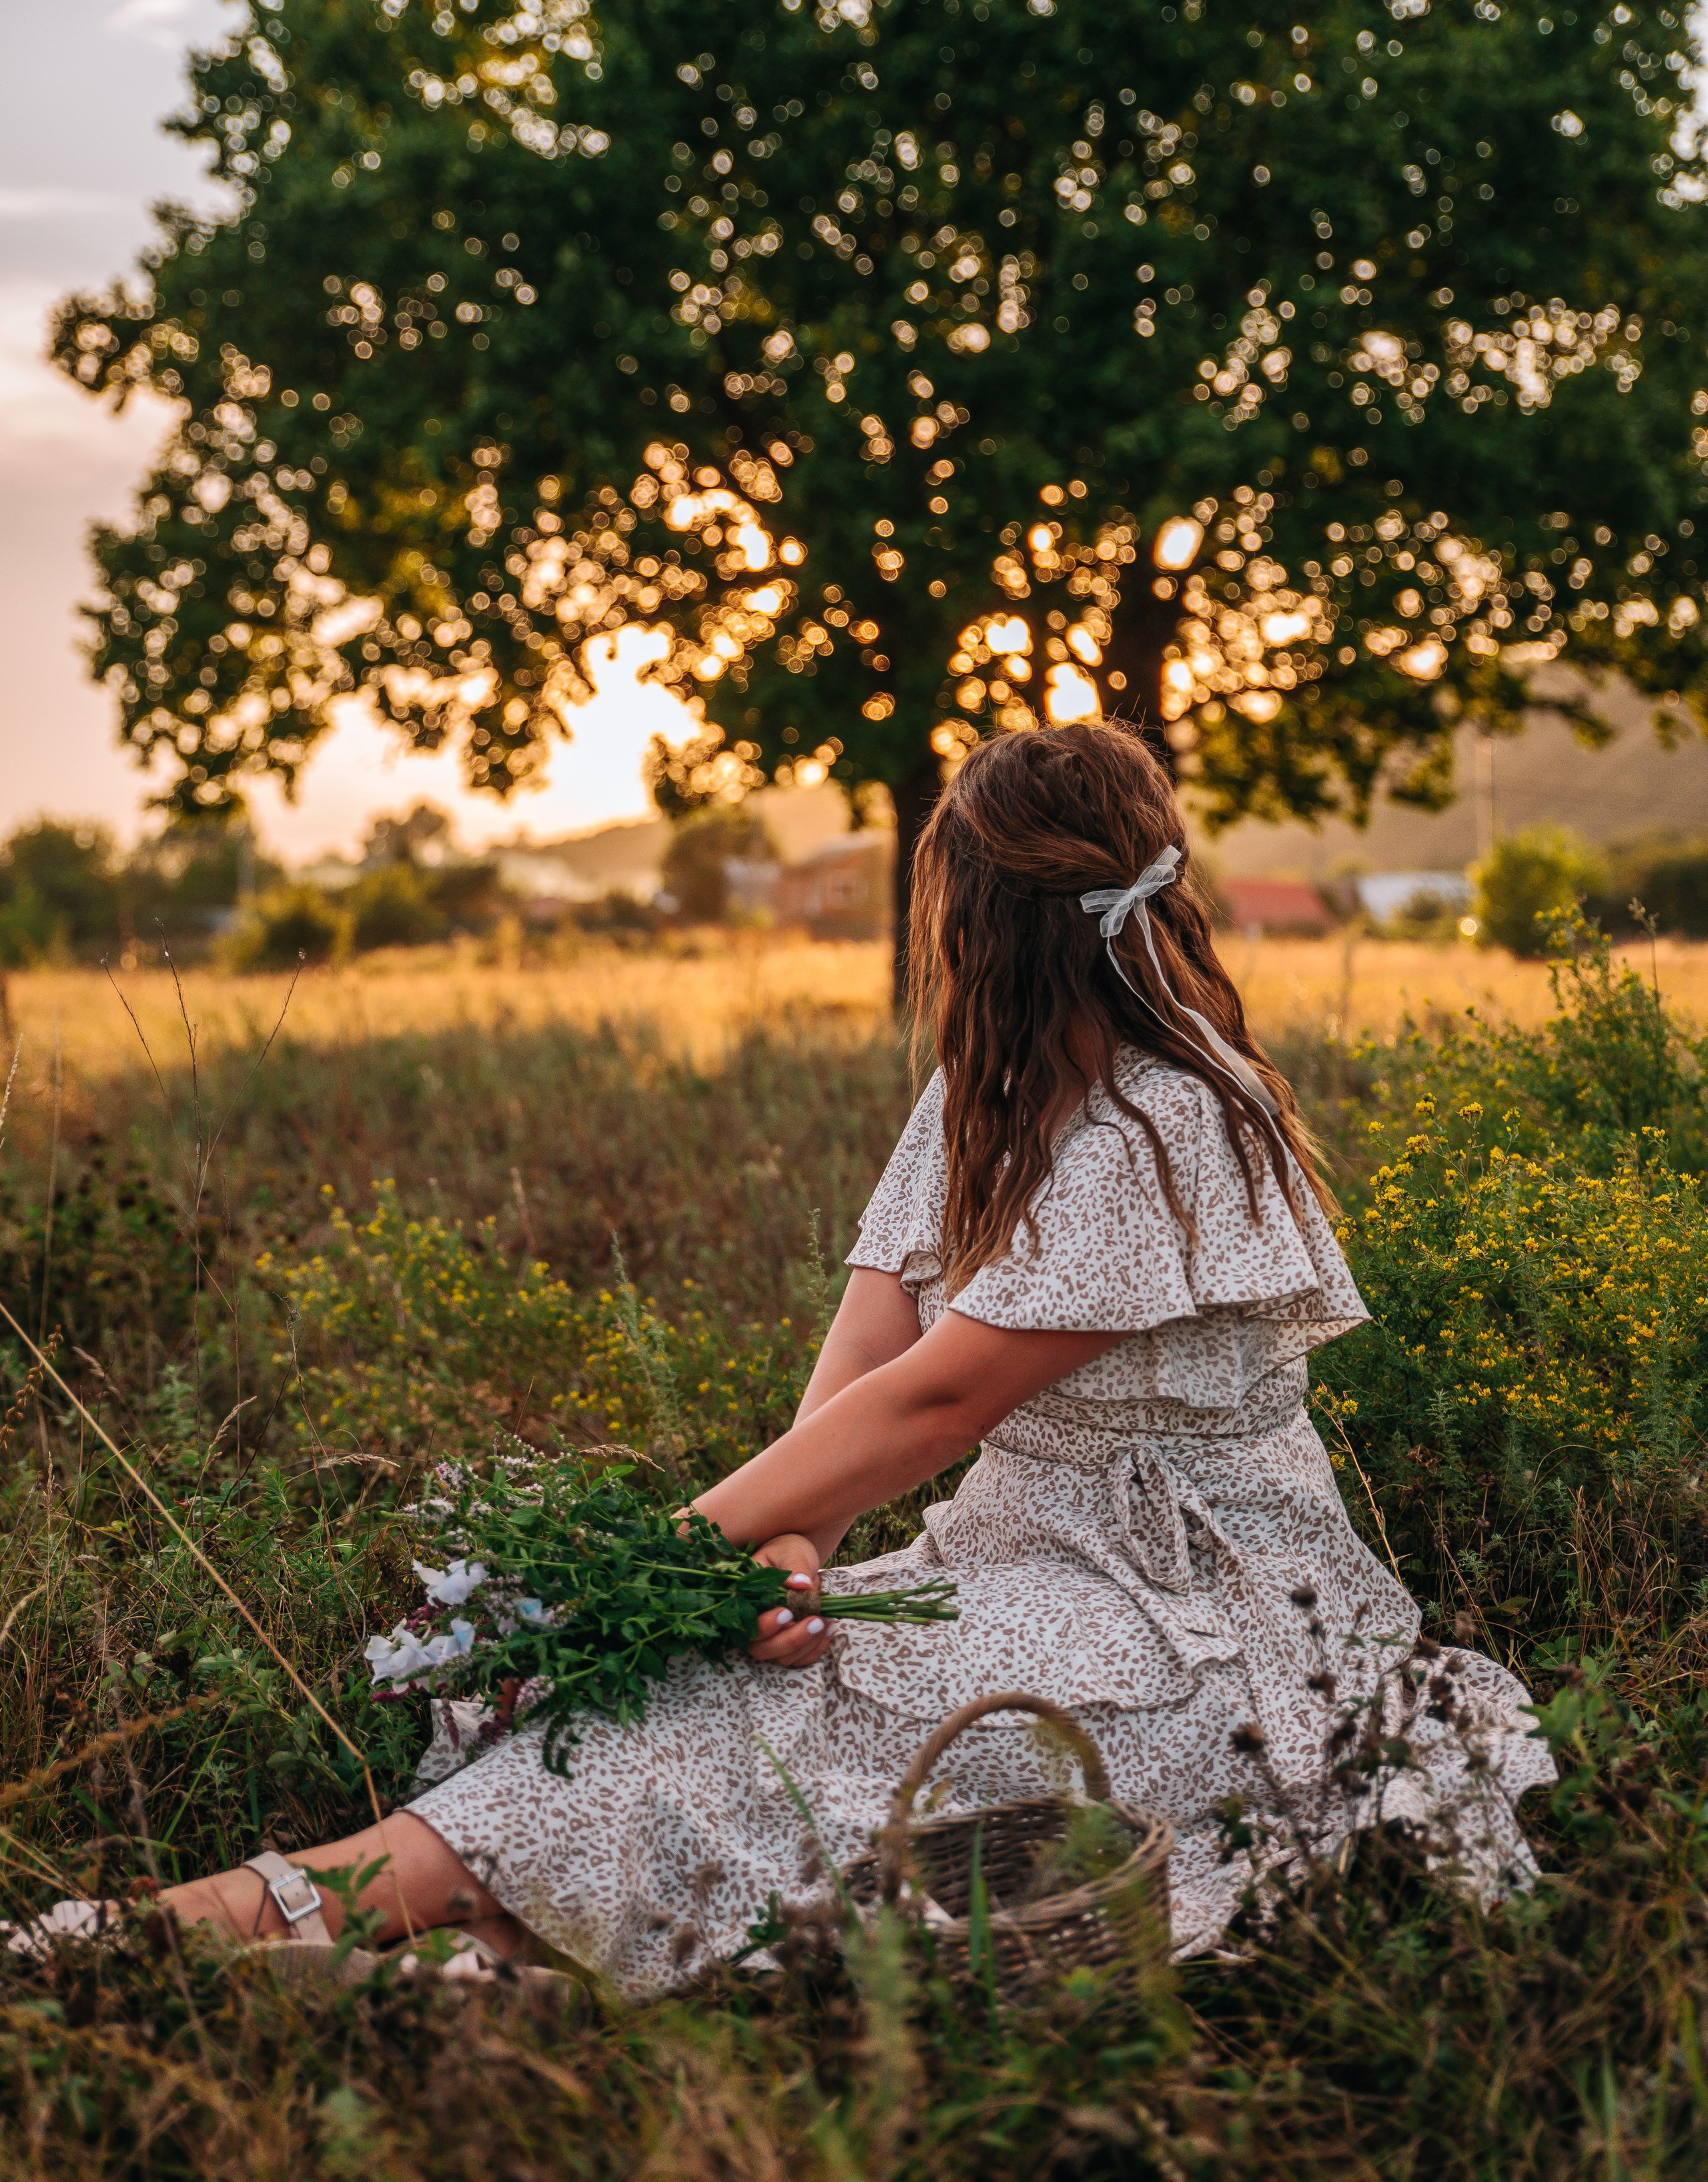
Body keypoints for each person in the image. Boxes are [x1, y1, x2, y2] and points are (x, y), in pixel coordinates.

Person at [135, 722, 1554, 1984]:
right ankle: (432, 1956)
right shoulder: (983, 1092)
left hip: (1195, 1608)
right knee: (702, 1692)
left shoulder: (1169, 1121)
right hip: (1007, 1558)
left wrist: (646, 1565)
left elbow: (935, 1404)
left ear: (979, 919)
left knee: (725, 1734)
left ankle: (202, 1933)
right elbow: (867, 1367)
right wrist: (787, 1554)